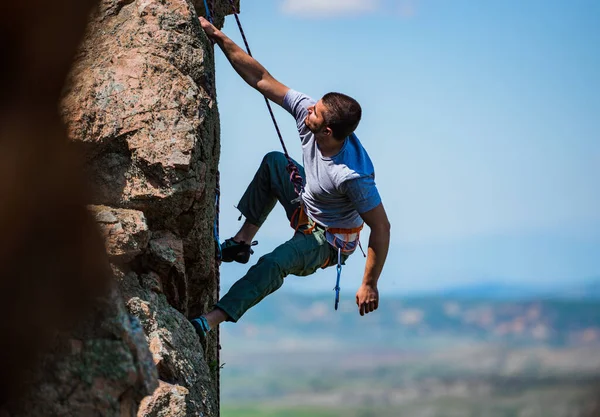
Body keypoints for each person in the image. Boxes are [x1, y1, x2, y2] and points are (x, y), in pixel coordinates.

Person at [191, 16, 391, 342]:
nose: (308, 108)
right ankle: (241, 242)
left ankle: (209, 321)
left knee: (274, 263)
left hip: (328, 240)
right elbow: (261, 78)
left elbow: (381, 227)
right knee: (275, 162)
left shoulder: (351, 175)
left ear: (327, 130)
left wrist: (369, 283)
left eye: (316, 112)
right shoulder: (309, 114)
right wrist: (217, 36)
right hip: (308, 205)